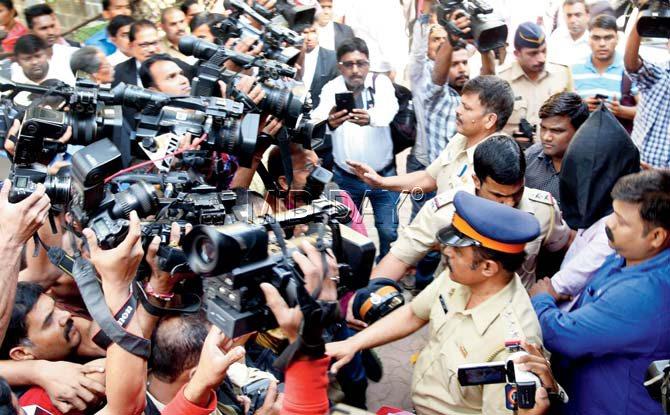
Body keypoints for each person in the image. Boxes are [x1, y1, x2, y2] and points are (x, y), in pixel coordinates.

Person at [328, 191, 547, 414]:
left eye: (458, 251)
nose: (446, 251)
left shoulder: (512, 346)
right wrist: (353, 344)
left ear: (488, 268)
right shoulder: (460, 278)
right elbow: (414, 313)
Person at [531, 170, 670, 414]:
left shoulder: (645, 295)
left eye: (622, 221)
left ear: (656, 237)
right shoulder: (630, 255)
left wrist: (541, 299)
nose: (609, 224)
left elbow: (564, 336)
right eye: (613, 213)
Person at [368, 136, 570, 304]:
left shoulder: (544, 209)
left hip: (511, 321)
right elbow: (399, 258)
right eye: (498, 196)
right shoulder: (444, 211)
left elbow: (564, 246)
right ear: (476, 181)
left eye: (516, 194)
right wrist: (365, 298)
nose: (508, 204)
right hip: (453, 314)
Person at [346, 75, 513, 198]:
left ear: (490, 120)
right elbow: (429, 178)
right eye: (460, 104)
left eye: (467, 108)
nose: (458, 111)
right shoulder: (460, 139)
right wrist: (380, 181)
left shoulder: (498, 161)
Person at [312, 37, 399, 259]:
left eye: (360, 63)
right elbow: (317, 120)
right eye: (348, 64)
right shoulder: (332, 88)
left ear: (368, 64)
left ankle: (385, 273)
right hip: (347, 177)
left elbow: (389, 111)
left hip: (382, 176)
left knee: (388, 231)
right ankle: (355, 273)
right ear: (339, 66)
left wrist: (370, 118)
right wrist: (329, 122)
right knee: (348, 231)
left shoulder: (381, 83)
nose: (355, 70)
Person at [498, 22, 573, 146]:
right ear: (517, 54)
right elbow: (489, 126)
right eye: (533, 53)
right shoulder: (501, 80)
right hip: (514, 156)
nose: (541, 58)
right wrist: (509, 139)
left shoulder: (562, 74)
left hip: (554, 155)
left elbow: (573, 119)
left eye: (544, 51)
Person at [571, 14, 637, 131]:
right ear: (588, 40)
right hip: (582, 142)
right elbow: (562, 110)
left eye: (608, 37)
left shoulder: (630, 68)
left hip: (619, 142)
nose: (602, 44)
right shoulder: (575, 69)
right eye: (596, 38)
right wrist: (581, 107)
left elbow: (647, 111)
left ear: (617, 39)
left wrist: (621, 111)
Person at [524, 92, 589, 206]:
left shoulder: (593, 169)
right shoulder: (529, 158)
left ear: (580, 131)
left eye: (557, 131)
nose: (546, 137)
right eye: (543, 128)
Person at [623, 12, 670, 169]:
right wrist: (643, 11)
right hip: (638, 173)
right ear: (667, 45)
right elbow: (631, 64)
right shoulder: (659, 73)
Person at [295, 24, 339, 109]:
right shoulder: (290, 56)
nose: (309, 38)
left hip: (319, 111)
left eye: (313, 32)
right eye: (305, 32)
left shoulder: (332, 57)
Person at [547, 0, 591, 66]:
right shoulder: (557, 36)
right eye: (569, 15)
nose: (572, 20)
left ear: (587, 16)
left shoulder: (594, 42)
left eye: (578, 15)